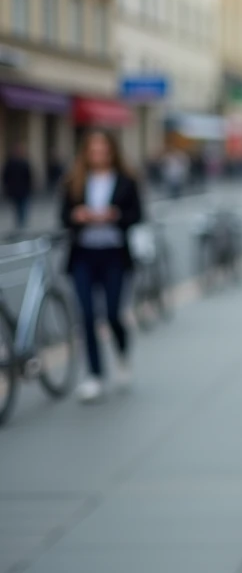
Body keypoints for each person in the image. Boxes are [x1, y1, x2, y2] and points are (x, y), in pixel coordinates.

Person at [61, 129, 143, 403]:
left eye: (103, 150)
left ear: (112, 151)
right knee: (85, 316)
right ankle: (95, 375)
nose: (98, 155)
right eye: (93, 150)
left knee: (111, 313)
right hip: (83, 255)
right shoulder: (74, 181)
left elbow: (137, 214)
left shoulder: (127, 180)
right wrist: (78, 215)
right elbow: (63, 216)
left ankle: (122, 354)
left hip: (114, 255)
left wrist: (115, 215)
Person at [3, 143, 33, 230]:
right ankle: (21, 222)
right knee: (19, 206)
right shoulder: (12, 163)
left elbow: (29, 176)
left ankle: (21, 222)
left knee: (21, 206)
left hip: (21, 189)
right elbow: (6, 176)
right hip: (18, 189)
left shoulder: (22, 163)